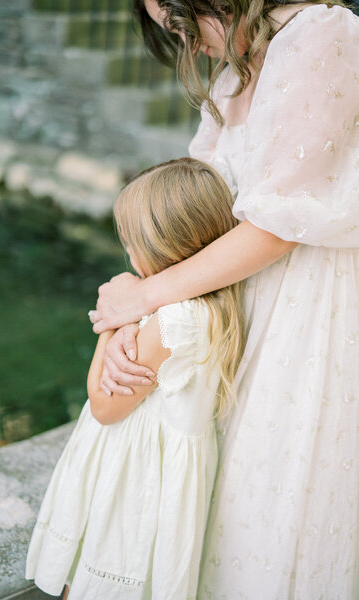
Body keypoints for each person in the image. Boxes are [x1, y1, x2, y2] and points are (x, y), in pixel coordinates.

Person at [89, 1, 359, 598]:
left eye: (186, 26)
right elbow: (193, 210)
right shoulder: (234, 69)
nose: (190, 49)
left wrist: (145, 298)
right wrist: (128, 296)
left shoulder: (322, 30)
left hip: (308, 310)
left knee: (273, 501)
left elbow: (278, 225)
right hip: (225, 298)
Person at [25, 158, 245, 600]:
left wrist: (111, 324)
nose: (128, 256)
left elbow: (105, 407)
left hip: (136, 481)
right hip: (158, 471)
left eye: (130, 245)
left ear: (166, 248)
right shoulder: (213, 308)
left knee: (98, 574)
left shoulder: (173, 323)